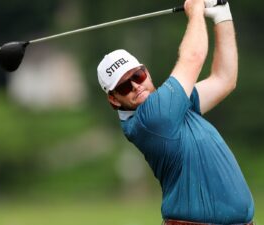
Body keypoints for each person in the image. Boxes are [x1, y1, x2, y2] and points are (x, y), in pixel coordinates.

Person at [97, 0, 254, 224]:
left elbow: (224, 79)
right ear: (114, 99)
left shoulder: (173, 105)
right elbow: (193, 57)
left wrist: (222, 16)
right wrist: (196, 10)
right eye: (123, 86)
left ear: (147, 72)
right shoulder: (151, 119)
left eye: (137, 76)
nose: (135, 86)